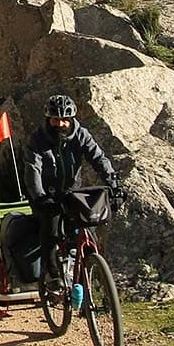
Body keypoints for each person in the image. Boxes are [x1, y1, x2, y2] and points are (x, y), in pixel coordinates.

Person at [22, 94, 121, 287]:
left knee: (89, 230)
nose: (60, 124)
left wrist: (113, 183)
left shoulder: (81, 134)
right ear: (48, 118)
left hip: (73, 194)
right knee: (50, 230)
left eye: (64, 119)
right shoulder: (37, 139)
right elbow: (33, 169)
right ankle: (52, 274)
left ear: (72, 119)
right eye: (55, 119)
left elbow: (98, 158)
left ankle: (89, 281)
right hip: (46, 196)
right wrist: (40, 196)